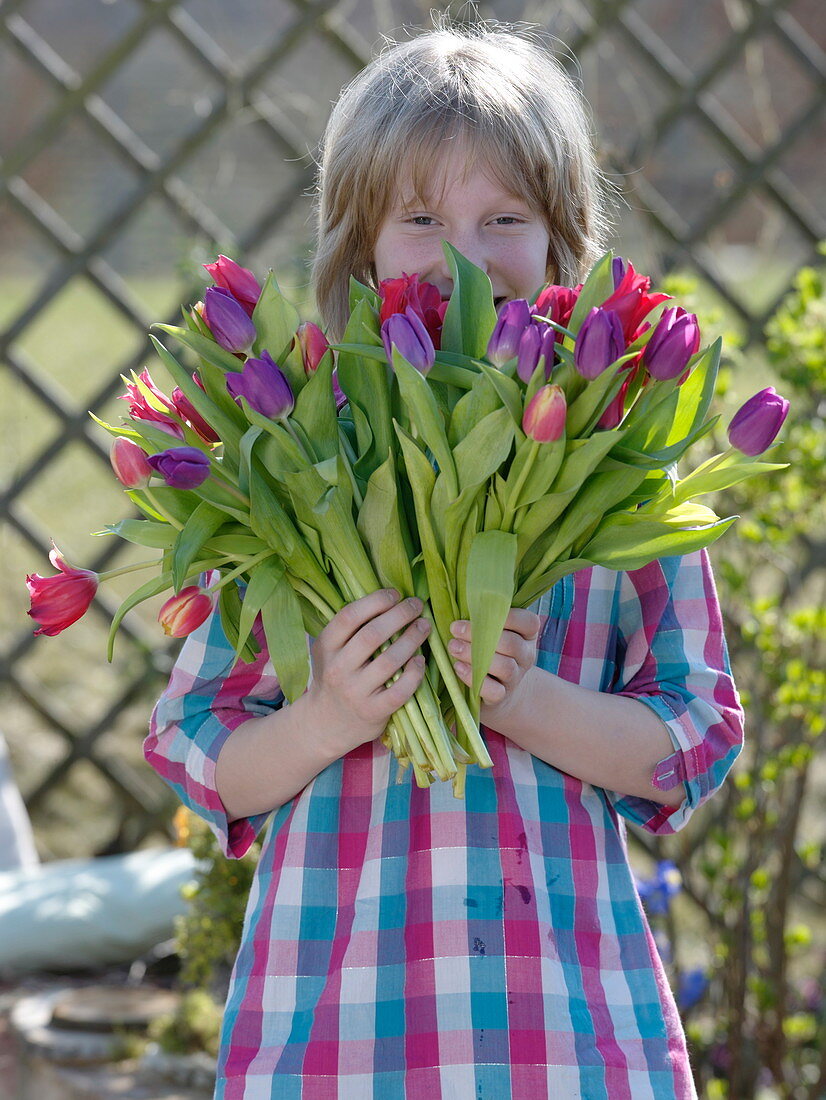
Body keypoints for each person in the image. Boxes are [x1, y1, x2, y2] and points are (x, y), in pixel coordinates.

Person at [145, 20, 743, 1099]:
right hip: (336, 1034)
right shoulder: (292, 460)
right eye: (421, 219)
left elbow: (691, 740)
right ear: (359, 248)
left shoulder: (621, 464)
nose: (465, 257)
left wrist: (526, 698)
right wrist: (329, 712)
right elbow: (200, 751)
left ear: (564, 246)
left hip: (561, 1033)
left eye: (504, 218)